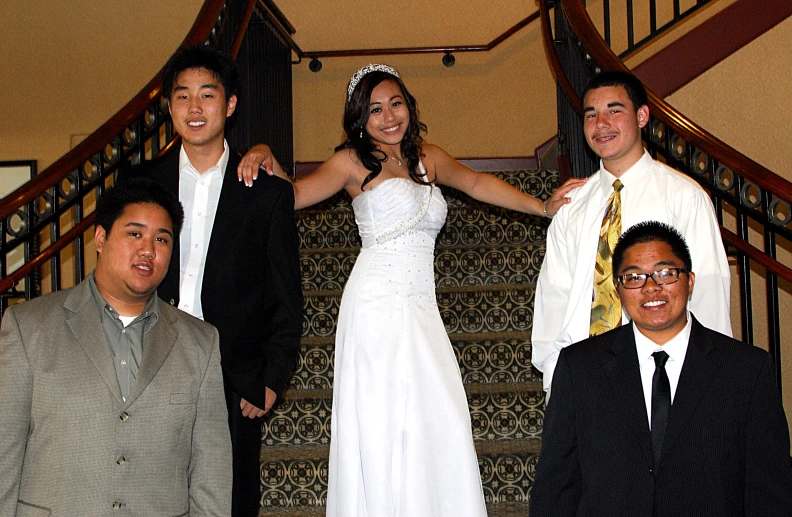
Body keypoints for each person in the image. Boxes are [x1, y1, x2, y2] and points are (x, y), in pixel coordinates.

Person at [238, 63, 585, 517]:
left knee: (436, 415)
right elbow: (291, 196)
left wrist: (542, 206)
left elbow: (477, 183)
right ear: (360, 119)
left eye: (395, 104)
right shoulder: (350, 162)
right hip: (376, 305)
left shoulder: (429, 159)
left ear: (409, 105)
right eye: (374, 109)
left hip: (421, 306)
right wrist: (264, 150)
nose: (388, 117)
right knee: (385, 422)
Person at [117, 44, 303, 517]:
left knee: (232, 496)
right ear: (171, 107)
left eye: (207, 95)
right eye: (182, 97)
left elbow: (285, 295)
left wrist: (272, 377)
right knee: (144, 489)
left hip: (233, 372)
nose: (194, 108)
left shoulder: (267, 193)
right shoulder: (142, 185)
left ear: (230, 104)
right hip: (147, 360)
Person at [0, 178, 232, 515]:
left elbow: (212, 471)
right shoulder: (28, 328)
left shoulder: (200, 343)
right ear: (100, 237)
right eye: (135, 233)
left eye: (162, 239)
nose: (148, 250)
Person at [530, 221, 792, 516]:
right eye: (634, 277)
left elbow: (770, 488)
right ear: (618, 289)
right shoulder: (580, 368)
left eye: (665, 273)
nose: (651, 287)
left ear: (690, 281)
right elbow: (555, 484)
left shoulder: (746, 369)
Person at [531, 70, 732, 397]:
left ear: (641, 116)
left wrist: (704, 383)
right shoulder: (571, 205)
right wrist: (557, 374)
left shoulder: (683, 197)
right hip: (583, 375)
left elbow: (708, 290)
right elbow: (553, 295)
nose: (601, 124)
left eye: (614, 110)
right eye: (591, 114)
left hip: (663, 375)